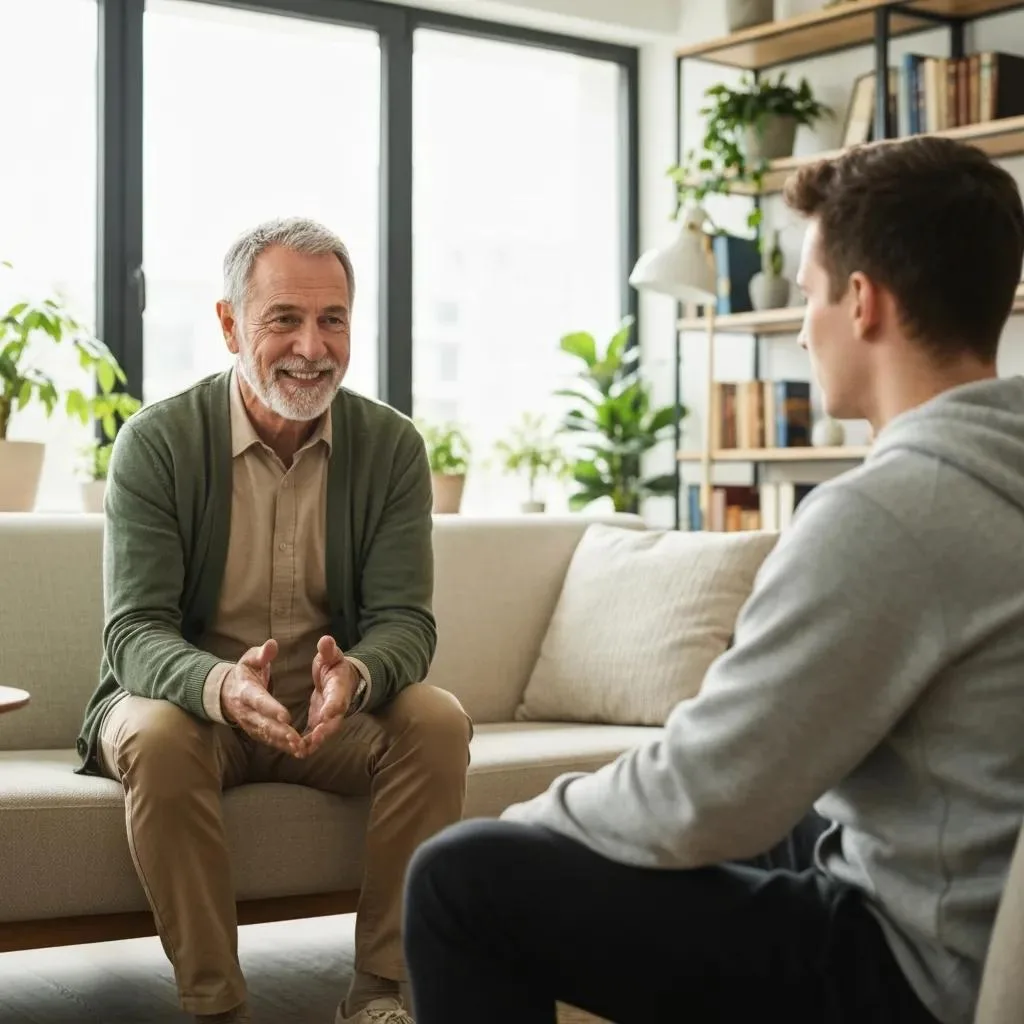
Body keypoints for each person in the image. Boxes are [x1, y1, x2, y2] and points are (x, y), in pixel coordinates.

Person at [402, 136, 1024, 1024]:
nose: (805, 326)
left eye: (808, 295)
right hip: (981, 905)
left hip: (913, 967)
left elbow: (706, 797)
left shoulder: (888, 513)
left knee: (460, 881)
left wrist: (536, 820)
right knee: (789, 816)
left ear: (862, 302)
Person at [76, 217, 472, 1024]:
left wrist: (355, 676)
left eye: (333, 320)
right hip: (191, 709)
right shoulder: (156, 443)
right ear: (229, 324)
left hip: (327, 718)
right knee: (153, 735)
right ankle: (217, 1005)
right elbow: (133, 633)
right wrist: (219, 684)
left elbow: (406, 622)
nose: (312, 347)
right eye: (283, 319)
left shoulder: (392, 447)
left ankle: (382, 990)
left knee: (437, 719)